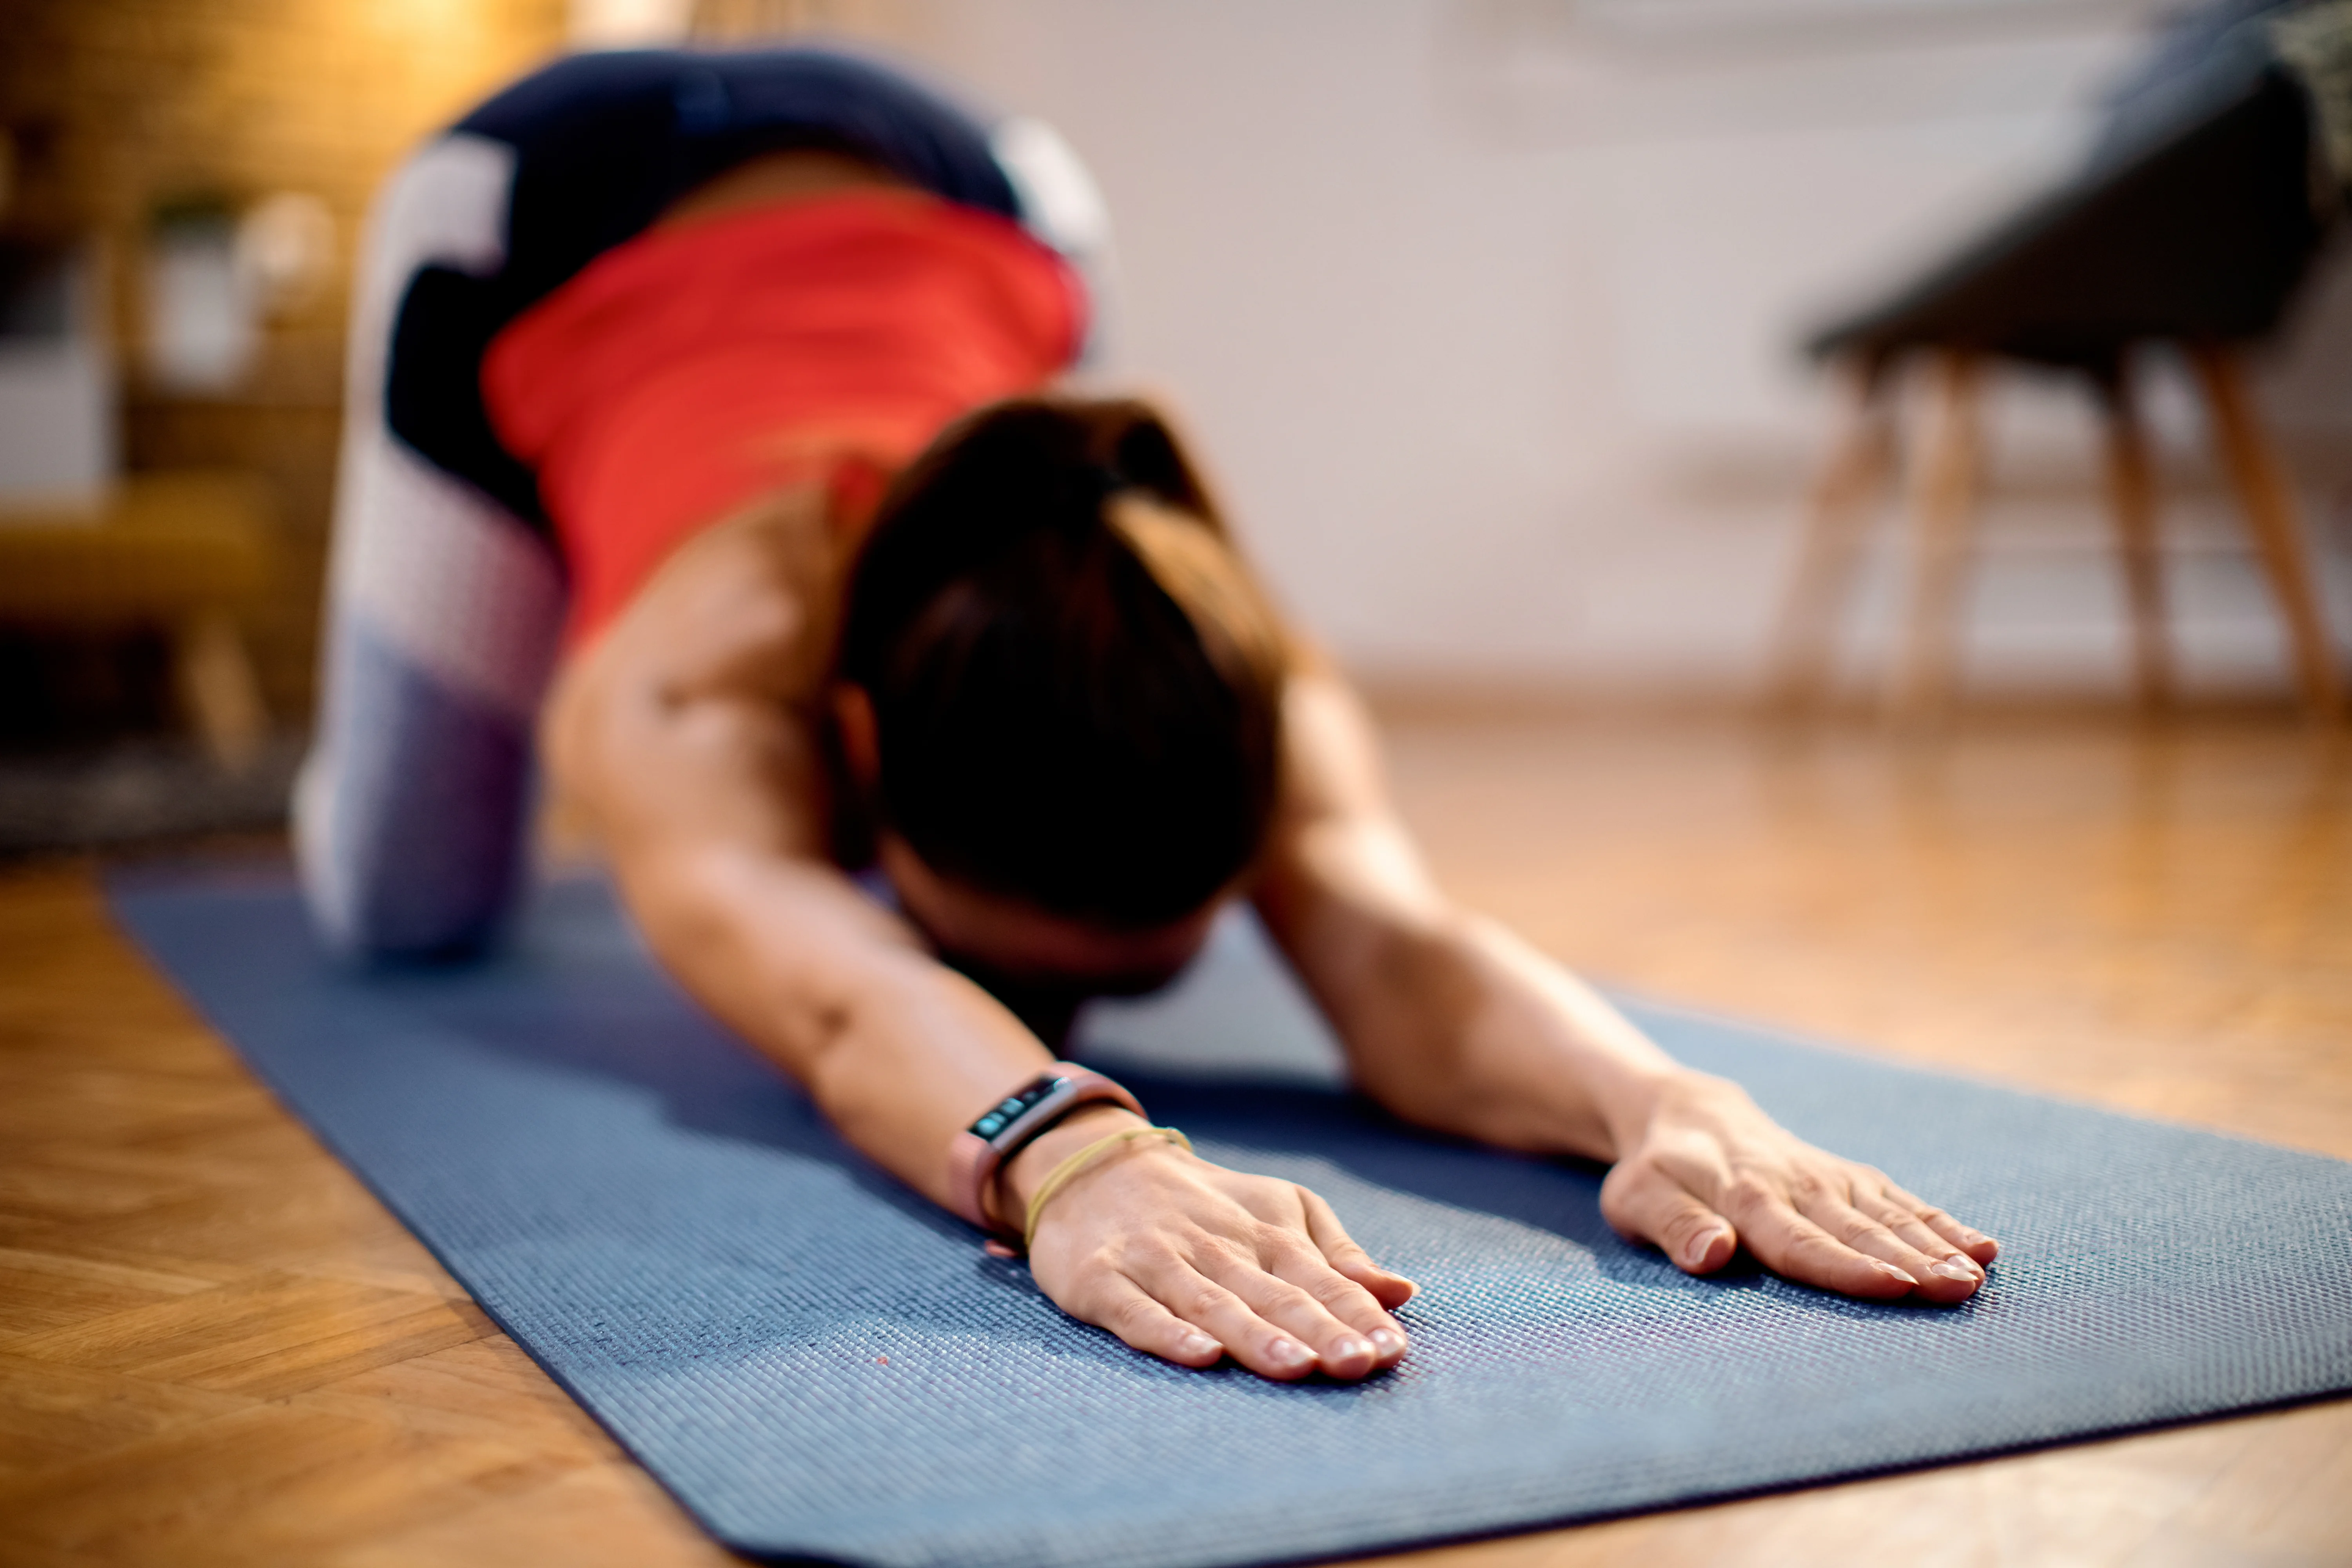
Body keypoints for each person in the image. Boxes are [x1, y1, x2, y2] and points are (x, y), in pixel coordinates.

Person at [300, 44, 1998, 1387]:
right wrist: (1068, 1155)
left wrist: (1663, 1102)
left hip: (994, 197)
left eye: (1123, 983)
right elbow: (840, 1000)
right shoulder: (697, 675)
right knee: (407, 907)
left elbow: (1393, 946)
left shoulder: (1217, 636)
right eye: (1031, 978)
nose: (1062, 1012)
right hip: (538, 216)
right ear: (860, 748)